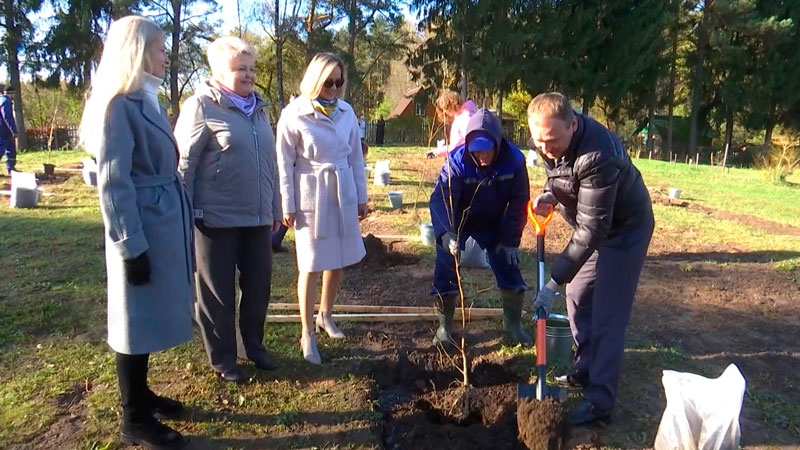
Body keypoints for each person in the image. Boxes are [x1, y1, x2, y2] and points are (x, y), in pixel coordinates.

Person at [79, 15, 193, 449]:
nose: (166, 55)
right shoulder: (119, 106)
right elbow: (114, 182)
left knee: (144, 316)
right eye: (160, 47)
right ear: (138, 51)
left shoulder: (145, 99)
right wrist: (131, 247)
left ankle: (141, 394)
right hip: (140, 226)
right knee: (132, 320)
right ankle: (133, 417)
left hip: (161, 220)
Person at [527, 92, 654, 425]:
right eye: (538, 141)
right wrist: (550, 194)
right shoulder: (551, 141)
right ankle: (585, 368)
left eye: (551, 140)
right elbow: (563, 177)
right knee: (578, 296)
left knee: (607, 314)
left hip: (624, 232)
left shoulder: (599, 155)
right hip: (595, 227)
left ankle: (600, 401)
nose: (545, 148)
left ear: (573, 124)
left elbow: (593, 227)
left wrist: (553, 281)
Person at [174, 36, 281, 383]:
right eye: (240, 69)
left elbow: (271, 163)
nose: (249, 76)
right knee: (217, 293)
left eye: (251, 69)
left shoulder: (259, 109)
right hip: (214, 219)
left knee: (259, 287)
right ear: (219, 72)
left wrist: (275, 206)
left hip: (257, 217)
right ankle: (223, 359)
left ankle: (255, 346)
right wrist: (182, 214)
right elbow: (184, 165)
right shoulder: (202, 106)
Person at [276, 52, 368, 365]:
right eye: (328, 82)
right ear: (315, 79)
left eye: (339, 82)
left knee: (337, 259)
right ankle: (307, 332)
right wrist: (287, 203)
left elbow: (356, 157)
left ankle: (325, 315)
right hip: (310, 193)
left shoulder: (346, 112)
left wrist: (361, 197)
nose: (334, 88)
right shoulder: (294, 113)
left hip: (341, 189)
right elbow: (284, 163)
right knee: (312, 264)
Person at [428, 108, 531, 346]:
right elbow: (442, 198)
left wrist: (511, 239)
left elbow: (519, 202)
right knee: (445, 263)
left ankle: (513, 326)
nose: (482, 155)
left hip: (496, 222)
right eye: (477, 150)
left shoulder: (514, 161)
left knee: (508, 262)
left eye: (487, 148)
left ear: (497, 143)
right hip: (460, 222)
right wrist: (446, 233)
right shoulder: (455, 162)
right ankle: (445, 329)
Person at [427, 89, 477, 158]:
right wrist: (437, 152)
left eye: (445, 109)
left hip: (464, 162)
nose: (445, 112)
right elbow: (456, 146)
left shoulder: (464, 118)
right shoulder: (464, 115)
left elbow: (472, 142)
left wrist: (438, 151)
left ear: (450, 106)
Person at [0, 84, 18, 174]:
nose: (14, 96)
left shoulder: (0, 100)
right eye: (13, 94)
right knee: (8, 149)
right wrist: (13, 130)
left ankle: (10, 168)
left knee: (4, 149)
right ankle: (11, 168)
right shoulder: (6, 102)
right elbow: (8, 117)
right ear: (10, 94)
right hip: (5, 130)